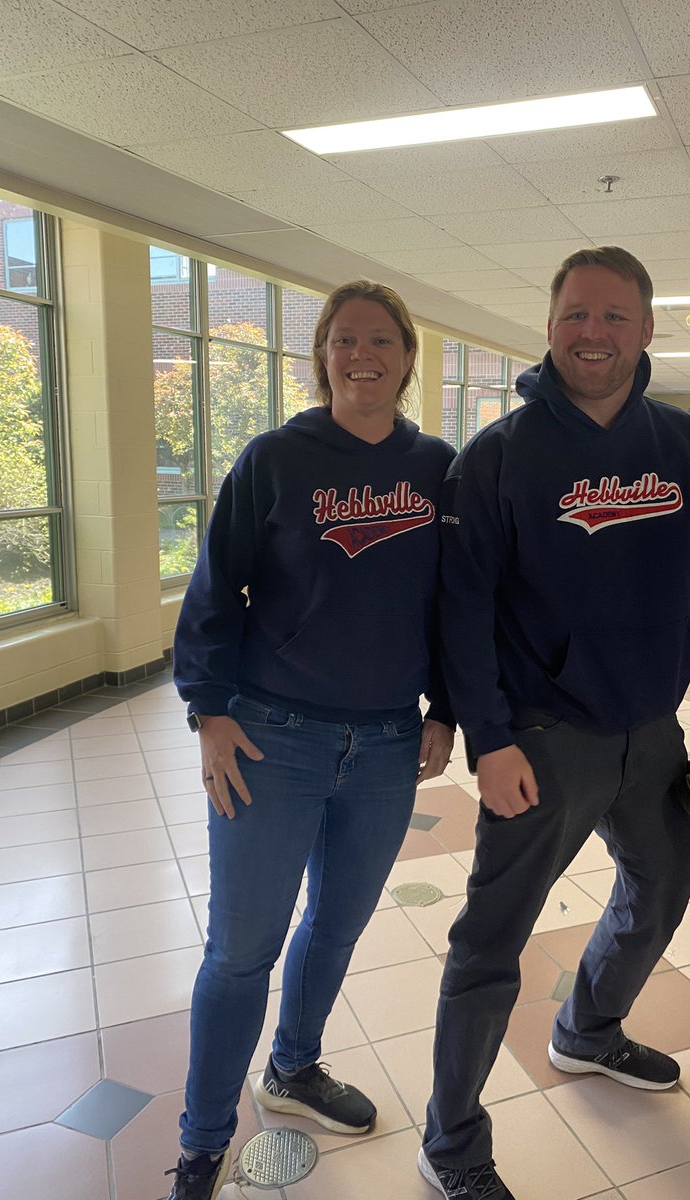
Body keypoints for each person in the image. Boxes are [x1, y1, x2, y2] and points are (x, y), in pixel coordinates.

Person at [418, 247, 690, 1200]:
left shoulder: (682, 446)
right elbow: (461, 610)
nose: (593, 333)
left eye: (615, 317)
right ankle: (450, 1139)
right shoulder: (499, 455)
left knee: (661, 890)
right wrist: (486, 739)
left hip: (650, 730)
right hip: (541, 738)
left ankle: (587, 1027)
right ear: (550, 324)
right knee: (492, 939)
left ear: (647, 330)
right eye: (577, 314)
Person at [166, 280, 455, 1200]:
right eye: (343, 340)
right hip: (269, 740)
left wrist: (444, 708)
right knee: (241, 951)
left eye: (380, 340)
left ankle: (294, 1066)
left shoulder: (440, 470)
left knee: (334, 927)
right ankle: (203, 1144)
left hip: (383, 747)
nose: (361, 355)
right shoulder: (277, 460)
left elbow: (456, 606)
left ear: (408, 357)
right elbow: (215, 593)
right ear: (321, 355)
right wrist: (210, 712)